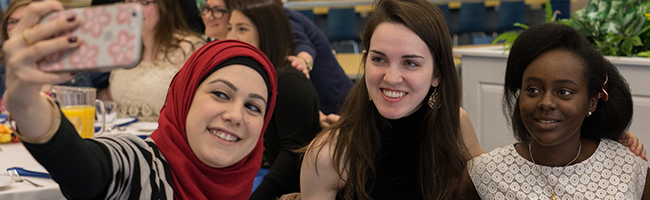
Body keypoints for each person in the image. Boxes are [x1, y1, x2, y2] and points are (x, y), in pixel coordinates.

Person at [3, 2, 278, 198]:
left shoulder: (244, 187)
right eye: (220, 94)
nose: (235, 115)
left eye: (253, 107)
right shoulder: (143, 167)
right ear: (184, 97)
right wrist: (26, 104)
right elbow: (85, 169)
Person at [298, 0, 483, 199]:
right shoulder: (329, 154)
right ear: (365, 61)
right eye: (379, 59)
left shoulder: (454, 124)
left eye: (410, 63)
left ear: (437, 74)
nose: (392, 78)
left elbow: (489, 184)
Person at [468, 23, 650, 200]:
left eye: (564, 92)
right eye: (533, 90)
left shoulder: (628, 169)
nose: (546, 103)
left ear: (591, 103)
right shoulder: (485, 175)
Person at [223, 0, 322, 199]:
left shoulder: (289, 81)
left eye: (242, 29)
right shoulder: (251, 77)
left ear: (267, 33)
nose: (231, 37)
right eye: (229, 28)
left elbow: (291, 157)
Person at [200, 0, 353, 120]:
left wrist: (303, 61)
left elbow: (302, 44)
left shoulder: (271, 16)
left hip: (332, 101)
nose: (208, 15)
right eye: (206, 8)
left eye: (218, 10)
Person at [108, 0, 207, 121]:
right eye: (129, 2)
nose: (134, 9)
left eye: (143, 2)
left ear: (164, 6)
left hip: (162, 138)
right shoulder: (123, 48)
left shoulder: (189, 48)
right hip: (120, 137)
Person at [0, 0, 35, 116]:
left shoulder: (65, 65)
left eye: (26, 21)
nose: (18, 28)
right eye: (13, 22)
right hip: (2, 131)